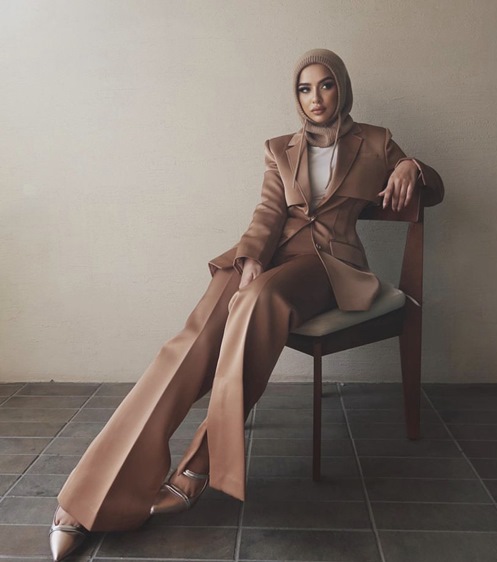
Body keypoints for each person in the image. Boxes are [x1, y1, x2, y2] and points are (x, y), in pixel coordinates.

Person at [48, 48, 444, 560]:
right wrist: (252, 256)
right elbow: (268, 212)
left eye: (325, 85)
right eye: (304, 88)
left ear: (342, 87)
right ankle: (87, 497)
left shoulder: (377, 141)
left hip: (329, 266)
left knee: (258, 301)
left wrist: (412, 165)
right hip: (270, 256)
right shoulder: (279, 148)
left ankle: (198, 466)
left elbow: (434, 192)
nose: (316, 98)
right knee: (189, 346)